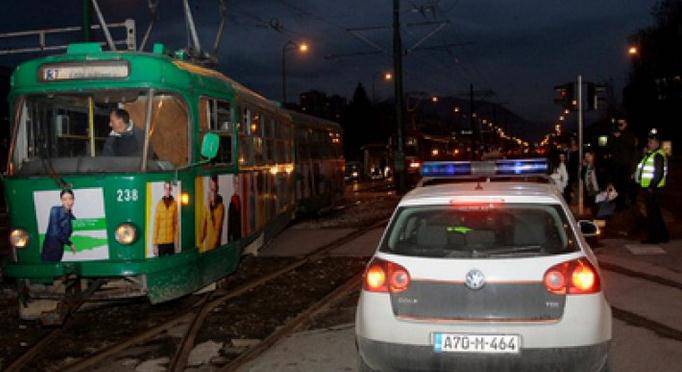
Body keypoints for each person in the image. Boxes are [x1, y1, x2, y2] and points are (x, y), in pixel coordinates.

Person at [635, 129, 669, 244]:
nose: (649, 144)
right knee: (656, 214)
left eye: (652, 142)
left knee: (652, 215)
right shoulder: (651, 154)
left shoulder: (658, 155)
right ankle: (663, 236)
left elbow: (658, 174)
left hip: (653, 189)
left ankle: (654, 238)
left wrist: (651, 187)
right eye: (649, 142)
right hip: (651, 188)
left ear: (657, 143)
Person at [41, 189, 77, 262]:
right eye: (64, 199)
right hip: (51, 248)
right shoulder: (55, 210)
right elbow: (56, 231)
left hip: (59, 248)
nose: (68, 202)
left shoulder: (70, 214)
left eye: (70, 199)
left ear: (73, 200)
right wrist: (70, 243)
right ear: (61, 200)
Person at [609, 118, 638, 209]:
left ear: (626, 124)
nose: (620, 125)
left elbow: (631, 145)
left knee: (625, 186)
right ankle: (618, 204)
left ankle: (624, 204)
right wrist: (614, 137)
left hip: (626, 166)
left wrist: (620, 137)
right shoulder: (615, 134)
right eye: (619, 124)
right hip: (616, 165)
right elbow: (610, 146)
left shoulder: (629, 134)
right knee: (617, 185)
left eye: (622, 124)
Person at [198, 175, 225, 252]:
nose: (212, 192)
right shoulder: (206, 205)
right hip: (206, 246)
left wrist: (209, 209)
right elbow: (203, 226)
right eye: (210, 189)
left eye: (214, 190)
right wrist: (199, 242)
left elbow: (216, 230)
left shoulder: (220, 207)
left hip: (215, 247)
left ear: (217, 189)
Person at [153, 182, 178, 256]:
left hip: (171, 241)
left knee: (172, 262)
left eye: (169, 188)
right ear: (164, 190)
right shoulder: (159, 205)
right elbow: (156, 225)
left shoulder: (174, 204)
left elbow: (176, 224)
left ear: (171, 190)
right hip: (161, 242)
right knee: (161, 262)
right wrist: (155, 244)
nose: (168, 190)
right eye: (166, 188)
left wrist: (176, 242)